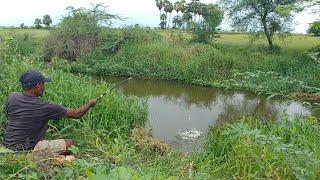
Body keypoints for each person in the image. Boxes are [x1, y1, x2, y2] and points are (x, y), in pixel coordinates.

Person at [2, 70, 97, 153]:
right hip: (27, 149)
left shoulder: (12, 97)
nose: (44, 87)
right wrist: (89, 104)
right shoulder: (45, 106)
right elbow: (77, 114)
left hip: (7, 144)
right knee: (71, 144)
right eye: (43, 83)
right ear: (38, 86)